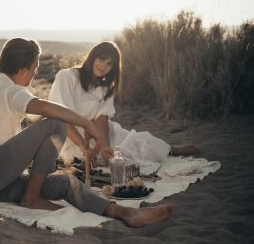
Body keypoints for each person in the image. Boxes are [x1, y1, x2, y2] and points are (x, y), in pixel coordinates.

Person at [0, 38, 171, 228]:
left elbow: (21, 130)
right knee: (56, 124)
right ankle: (32, 197)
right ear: (22, 70)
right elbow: (47, 110)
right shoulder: (8, 90)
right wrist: (87, 124)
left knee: (65, 182)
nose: (35, 74)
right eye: (34, 69)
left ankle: (124, 213)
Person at [48, 41, 199, 166]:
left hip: (100, 133)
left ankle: (170, 149)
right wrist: (83, 146)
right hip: (70, 134)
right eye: (101, 59)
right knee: (86, 161)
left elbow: (102, 119)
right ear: (93, 57)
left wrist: (105, 145)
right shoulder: (67, 76)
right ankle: (90, 153)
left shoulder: (106, 87)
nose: (103, 66)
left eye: (109, 64)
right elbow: (62, 117)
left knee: (136, 142)